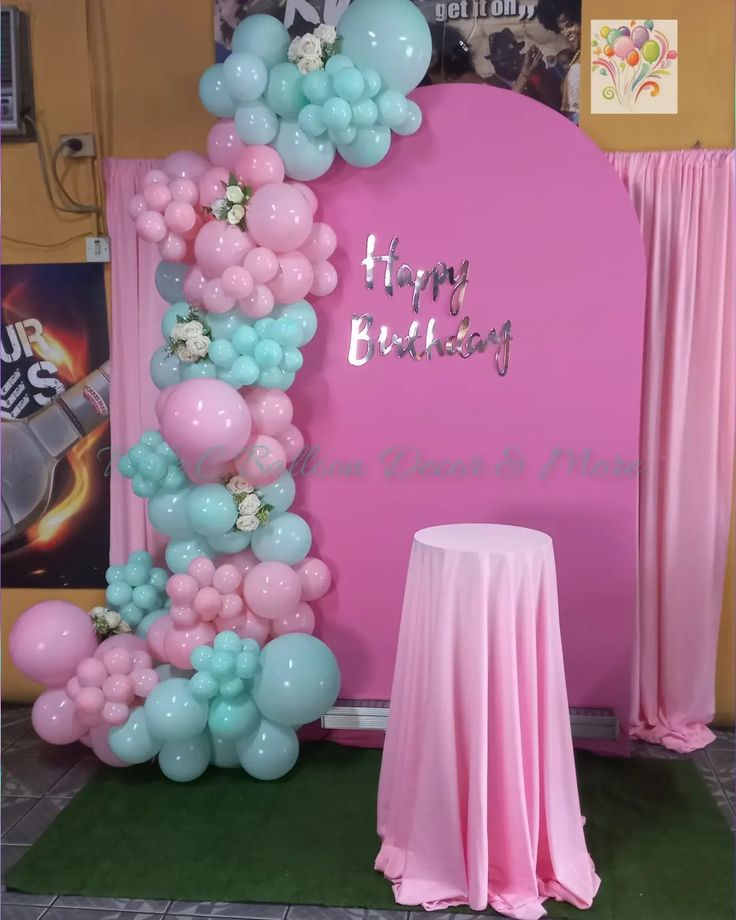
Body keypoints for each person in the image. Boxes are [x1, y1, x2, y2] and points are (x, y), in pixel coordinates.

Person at [483, 28, 561, 109]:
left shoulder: (527, 85)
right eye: (507, 59)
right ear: (494, 62)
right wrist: (524, 74)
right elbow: (505, 108)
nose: (514, 62)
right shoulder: (488, 86)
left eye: (516, 56)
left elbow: (545, 109)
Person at [536, 0, 581, 123]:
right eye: (561, 28)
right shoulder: (577, 57)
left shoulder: (590, 58)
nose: (566, 33)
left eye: (570, 24)